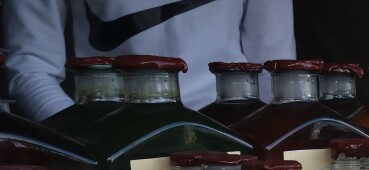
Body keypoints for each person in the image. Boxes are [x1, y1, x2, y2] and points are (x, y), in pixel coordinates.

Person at [2, 0, 296, 122]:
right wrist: (85, 143)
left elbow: (274, 68)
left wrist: (257, 143)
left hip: (230, 135)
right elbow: (32, 66)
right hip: (111, 133)